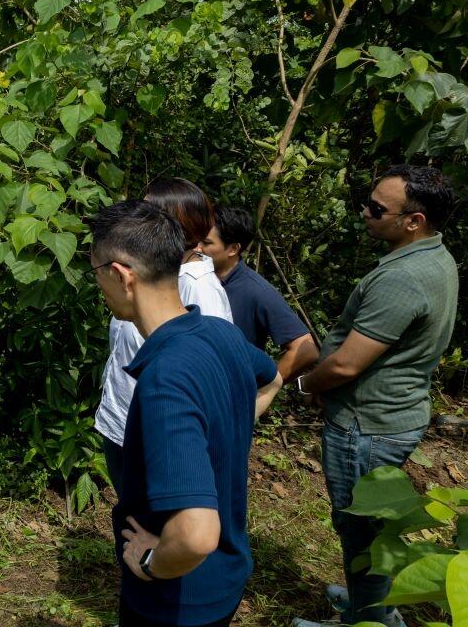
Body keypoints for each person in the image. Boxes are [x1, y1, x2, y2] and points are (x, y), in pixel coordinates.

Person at [87, 200, 281, 627]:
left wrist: (152, 561)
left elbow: (195, 535)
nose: (98, 285)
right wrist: (230, 425)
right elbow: (272, 379)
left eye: (96, 272)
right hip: (224, 580)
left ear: (121, 275)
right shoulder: (220, 333)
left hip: (174, 600)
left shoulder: (164, 379)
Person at [293, 165, 458, 627]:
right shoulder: (434, 258)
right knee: (371, 527)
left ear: (414, 221)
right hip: (393, 413)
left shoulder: (401, 280)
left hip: (368, 429)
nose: (364, 212)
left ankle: (369, 620)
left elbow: (347, 363)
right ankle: (372, 603)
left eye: (376, 208)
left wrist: (307, 385)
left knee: (360, 529)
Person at [95, 178, 233, 490]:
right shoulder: (157, 273)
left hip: (156, 433)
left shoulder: (196, 285)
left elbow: (211, 375)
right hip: (124, 422)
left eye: (148, 212)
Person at [200, 205, 319, 381]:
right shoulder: (196, 276)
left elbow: (306, 350)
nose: (197, 247)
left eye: (206, 243)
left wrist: (262, 390)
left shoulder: (256, 291)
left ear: (233, 249)